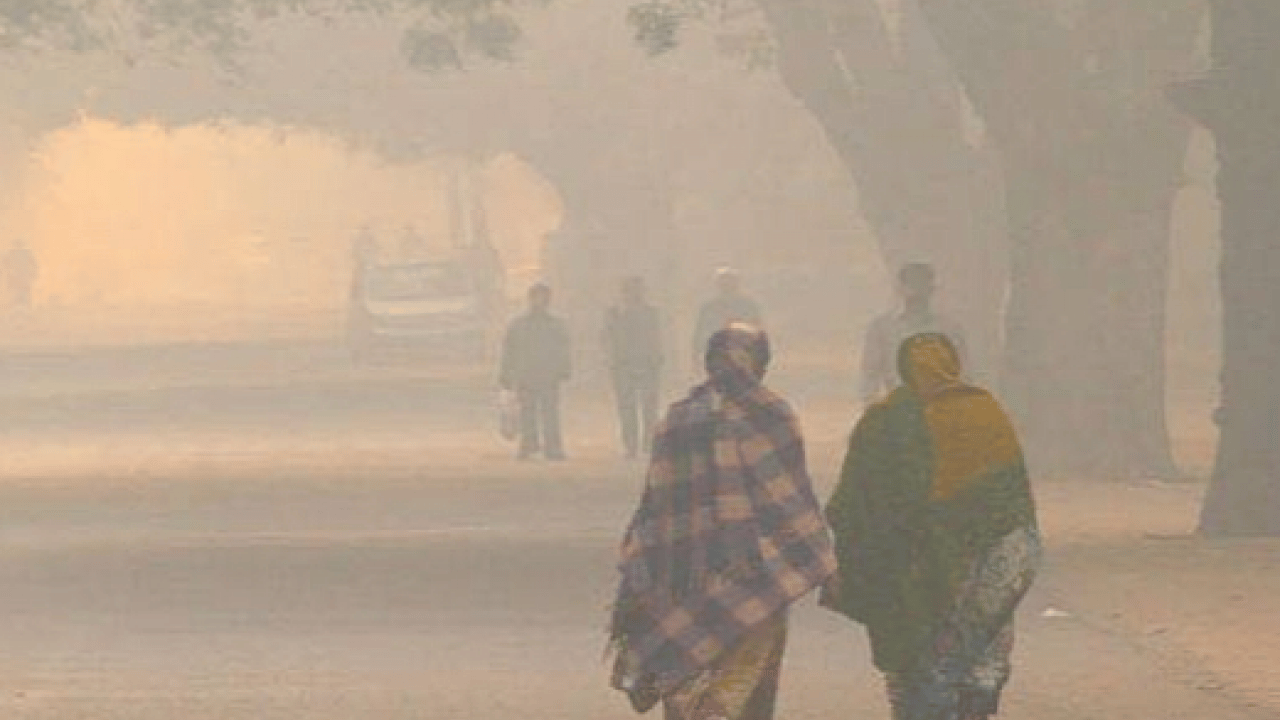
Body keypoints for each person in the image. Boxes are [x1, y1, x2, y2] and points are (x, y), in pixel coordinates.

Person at [608, 324, 837, 720]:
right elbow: (795, 497)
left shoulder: (677, 418)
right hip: (760, 577)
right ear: (760, 362)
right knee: (749, 677)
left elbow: (656, 502)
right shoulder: (773, 414)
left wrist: (642, 563)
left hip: (683, 571)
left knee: (687, 665)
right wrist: (818, 555)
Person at [822, 333, 1040, 720]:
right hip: (991, 560)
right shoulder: (985, 410)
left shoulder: (884, 421)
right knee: (974, 661)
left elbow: (853, 503)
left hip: (909, 573)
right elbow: (1013, 499)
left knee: (912, 670)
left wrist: (852, 563)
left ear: (903, 369)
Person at [861, 262, 969, 404]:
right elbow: (870, 375)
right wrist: (873, 408)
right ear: (900, 288)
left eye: (921, 284)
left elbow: (964, 374)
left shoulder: (949, 329)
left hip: (941, 407)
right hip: (899, 407)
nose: (915, 290)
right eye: (911, 284)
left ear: (931, 289)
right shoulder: (882, 328)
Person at [499, 283, 572, 460]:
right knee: (527, 413)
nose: (540, 301)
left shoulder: (555, 324)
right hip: (526, 375)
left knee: (550, 413)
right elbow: (509, 350)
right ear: (530, 299)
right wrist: (505, 374)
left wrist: (564, 369)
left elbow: (563, 348)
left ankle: (552, 448)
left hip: (548, 375)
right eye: (537, 297)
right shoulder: (518, 324)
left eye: (544, 297)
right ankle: (529, 445)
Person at [603, 276, 663, 458]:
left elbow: (658, 336)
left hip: (648, 363)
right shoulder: (614, 313)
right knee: (626, 406)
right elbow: (607, 337)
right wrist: (610, 359)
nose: (635, 293)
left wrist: (658, 357)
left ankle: (649, 443)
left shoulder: (652, 312)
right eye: (631, 290)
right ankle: (630, 445)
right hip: (623, 364)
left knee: (649, 406)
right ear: (624, 292)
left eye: (639, 289)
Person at [692, 268, 763, 368]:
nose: (727, 286)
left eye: (730, 282)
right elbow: (701, 332)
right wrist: (696, 354)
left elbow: (757, 328)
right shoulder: (710, 307)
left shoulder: (748, 305)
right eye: (724, 283)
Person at [3, 241, 37, 310]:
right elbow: (4, 264)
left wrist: (33, 274)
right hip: (17, 279)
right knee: (17, 295)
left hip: (21, 278)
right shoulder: (12, 253)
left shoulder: (24, 253)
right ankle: (19, 309)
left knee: (22, 294)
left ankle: (23, 309)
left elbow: (34, 265)